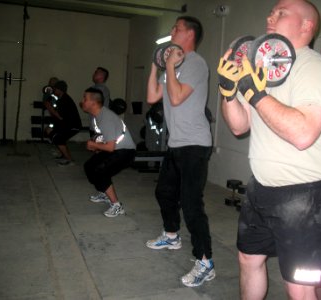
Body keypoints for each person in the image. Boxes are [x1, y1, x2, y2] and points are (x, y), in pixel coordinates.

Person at [218, 0, 321, 299]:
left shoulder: (314, 67)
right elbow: (238, 126)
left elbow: (302, 134)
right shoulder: (265, 68)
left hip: (304, 196)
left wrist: (256, 94)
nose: (270, 16)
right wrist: (229, 92)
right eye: (271, 11)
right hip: (261, 188)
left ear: (307, 26)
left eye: (281, 12)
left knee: (298, 285)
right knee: (248, 259)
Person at [145, 16, 215, 287]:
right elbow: (153, 97)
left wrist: (171, 65)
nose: (172, 30)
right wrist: (156, 64)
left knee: (191, 204)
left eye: (176, 28)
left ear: (190, 34)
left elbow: (175, 97)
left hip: (195, 145)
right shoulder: (175, 66)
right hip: (176, 144)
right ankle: (172, 235)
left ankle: (205, 262)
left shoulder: (195, 63)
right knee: (164, 192)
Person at [80, 87, 136, 217]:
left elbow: (110, 147)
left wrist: (93, 144)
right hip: (117, 149)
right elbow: (106, 140)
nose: (82, 101)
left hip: (126, 152)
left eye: (85, 98)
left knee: (100, 170)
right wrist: (97, 146)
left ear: (93, 103)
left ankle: (117, 206)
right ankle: (104, 192)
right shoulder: (98, 116)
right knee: (89, 166)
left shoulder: (105, 117)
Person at [44, 80, 82, 166]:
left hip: (73, 126)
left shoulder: (65, 100)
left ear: (60, 90)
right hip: (65, 124)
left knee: (58, 138)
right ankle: (64, 155)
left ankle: (70, 160)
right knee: (49, 130)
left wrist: (50, 108)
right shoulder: (61, 98)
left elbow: (59, 116)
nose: (54, 90)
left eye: (55, 89)